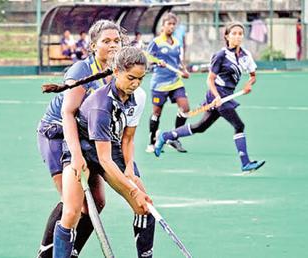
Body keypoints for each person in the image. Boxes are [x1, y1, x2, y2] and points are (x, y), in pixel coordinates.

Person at [53, 46, 154, 258]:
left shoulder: (138, 96)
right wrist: (133, 189)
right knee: (71, 212)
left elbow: (127, 138)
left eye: (140, 79)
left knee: (144, 209)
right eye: (130, 78)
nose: (135, 83)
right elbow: (105, 161)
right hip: (82, 149)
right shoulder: (101, 105)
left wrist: (129, 169)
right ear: (116, 72)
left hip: (110, 146)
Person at [36, 20, 126, 258]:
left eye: (117, 41)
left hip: (85, 137)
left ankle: (70, 252)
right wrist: (76, 156)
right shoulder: (81, 71)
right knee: (72, 204)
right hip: (56, 134)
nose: (113, 46)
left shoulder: (117, 74)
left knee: (96, 202)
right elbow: (68, 114)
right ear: (94, 45)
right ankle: (46, 254)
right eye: (106, 41)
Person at [154, 22, 265, 173]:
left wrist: (248, 84)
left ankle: (166, 135)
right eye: (234, 33)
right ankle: (245, 163)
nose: (238, 36)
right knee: (239, 125)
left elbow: (253, 76)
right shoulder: (221, 55)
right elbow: (210, 79)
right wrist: (217, 96)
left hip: (227, 95)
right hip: (216, 93)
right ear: (227, 36)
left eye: (240, 33)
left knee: (201, 127)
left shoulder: (246, 55)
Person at [146, 12, 191, 154]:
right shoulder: (157, 42)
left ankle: (173, 137)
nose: (171, 27)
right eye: (169, 24)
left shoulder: (177, 42)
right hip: (160, 83)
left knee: (185, 108)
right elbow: (147, 56)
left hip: (176, 81)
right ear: (163, 26)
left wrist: (184, 70)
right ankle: (152, 142)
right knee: (156, 113)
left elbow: (178, 60)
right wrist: (157, 61)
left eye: (173, 25)